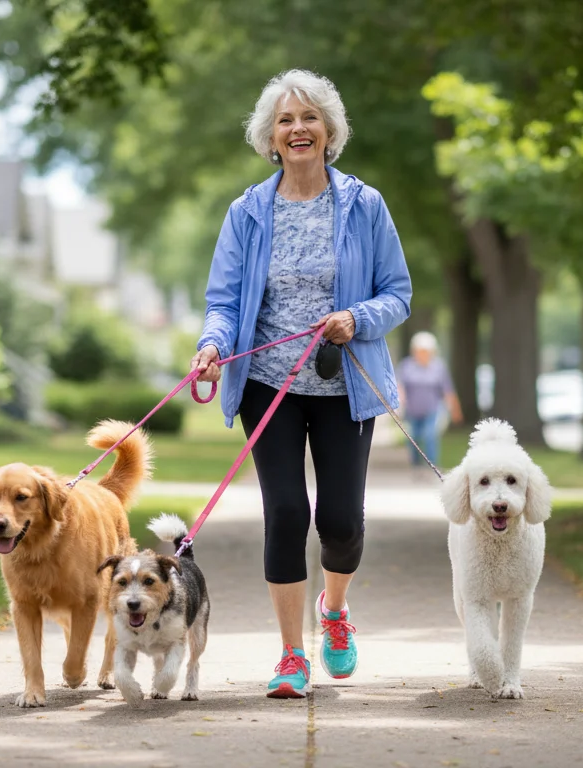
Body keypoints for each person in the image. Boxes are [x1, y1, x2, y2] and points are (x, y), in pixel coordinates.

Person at [188, 69, 412, 699]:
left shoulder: (364, 205)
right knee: (286, 513)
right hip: (269, 384)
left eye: (309, 117)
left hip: (346, 383)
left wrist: (356, 318)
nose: (298, 129)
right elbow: (224, 302)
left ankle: (334, 613)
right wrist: (212, 345)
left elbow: (398, 293)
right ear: (270, 138)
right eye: (285, 121)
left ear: (329, 130)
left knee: (341, 522)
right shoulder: (247, 213)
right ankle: (291, 655)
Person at [396, 331, 463, 471]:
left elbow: (447, 390)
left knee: (430, 435)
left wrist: (455, 410)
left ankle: (432, 465)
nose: (423, 354)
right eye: (420, 351)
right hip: (412, 411)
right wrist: (399, 404)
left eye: (426, 351)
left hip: (432, 410)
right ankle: (416, 465)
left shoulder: (439, 367)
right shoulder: (406, 366)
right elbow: (400, 387)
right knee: (413, 437)